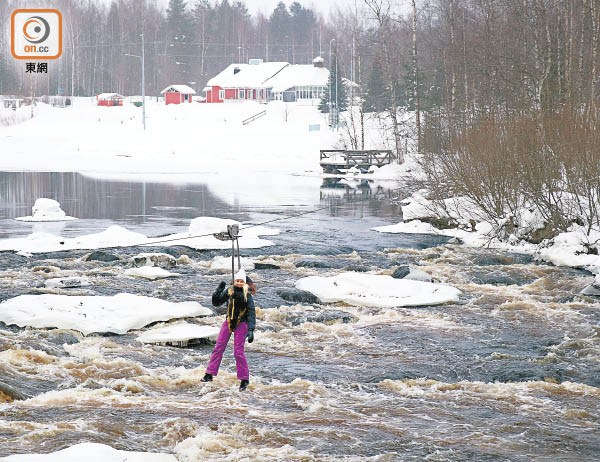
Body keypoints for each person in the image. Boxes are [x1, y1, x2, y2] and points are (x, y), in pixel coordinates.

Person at [201, 268, 256, 391]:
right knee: (218, 348)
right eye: (238, 281)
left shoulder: (247, 294)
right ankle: (209, 374)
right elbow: (216, 302)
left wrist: (251, 329)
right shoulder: (229, 290)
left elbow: (252, 312)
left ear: (245, 283)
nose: (240, 283)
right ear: (234, 281)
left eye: (242, 281)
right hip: (229, 322)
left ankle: (244, 379)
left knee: (238, 352)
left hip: (242, 324)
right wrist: (219, 289)